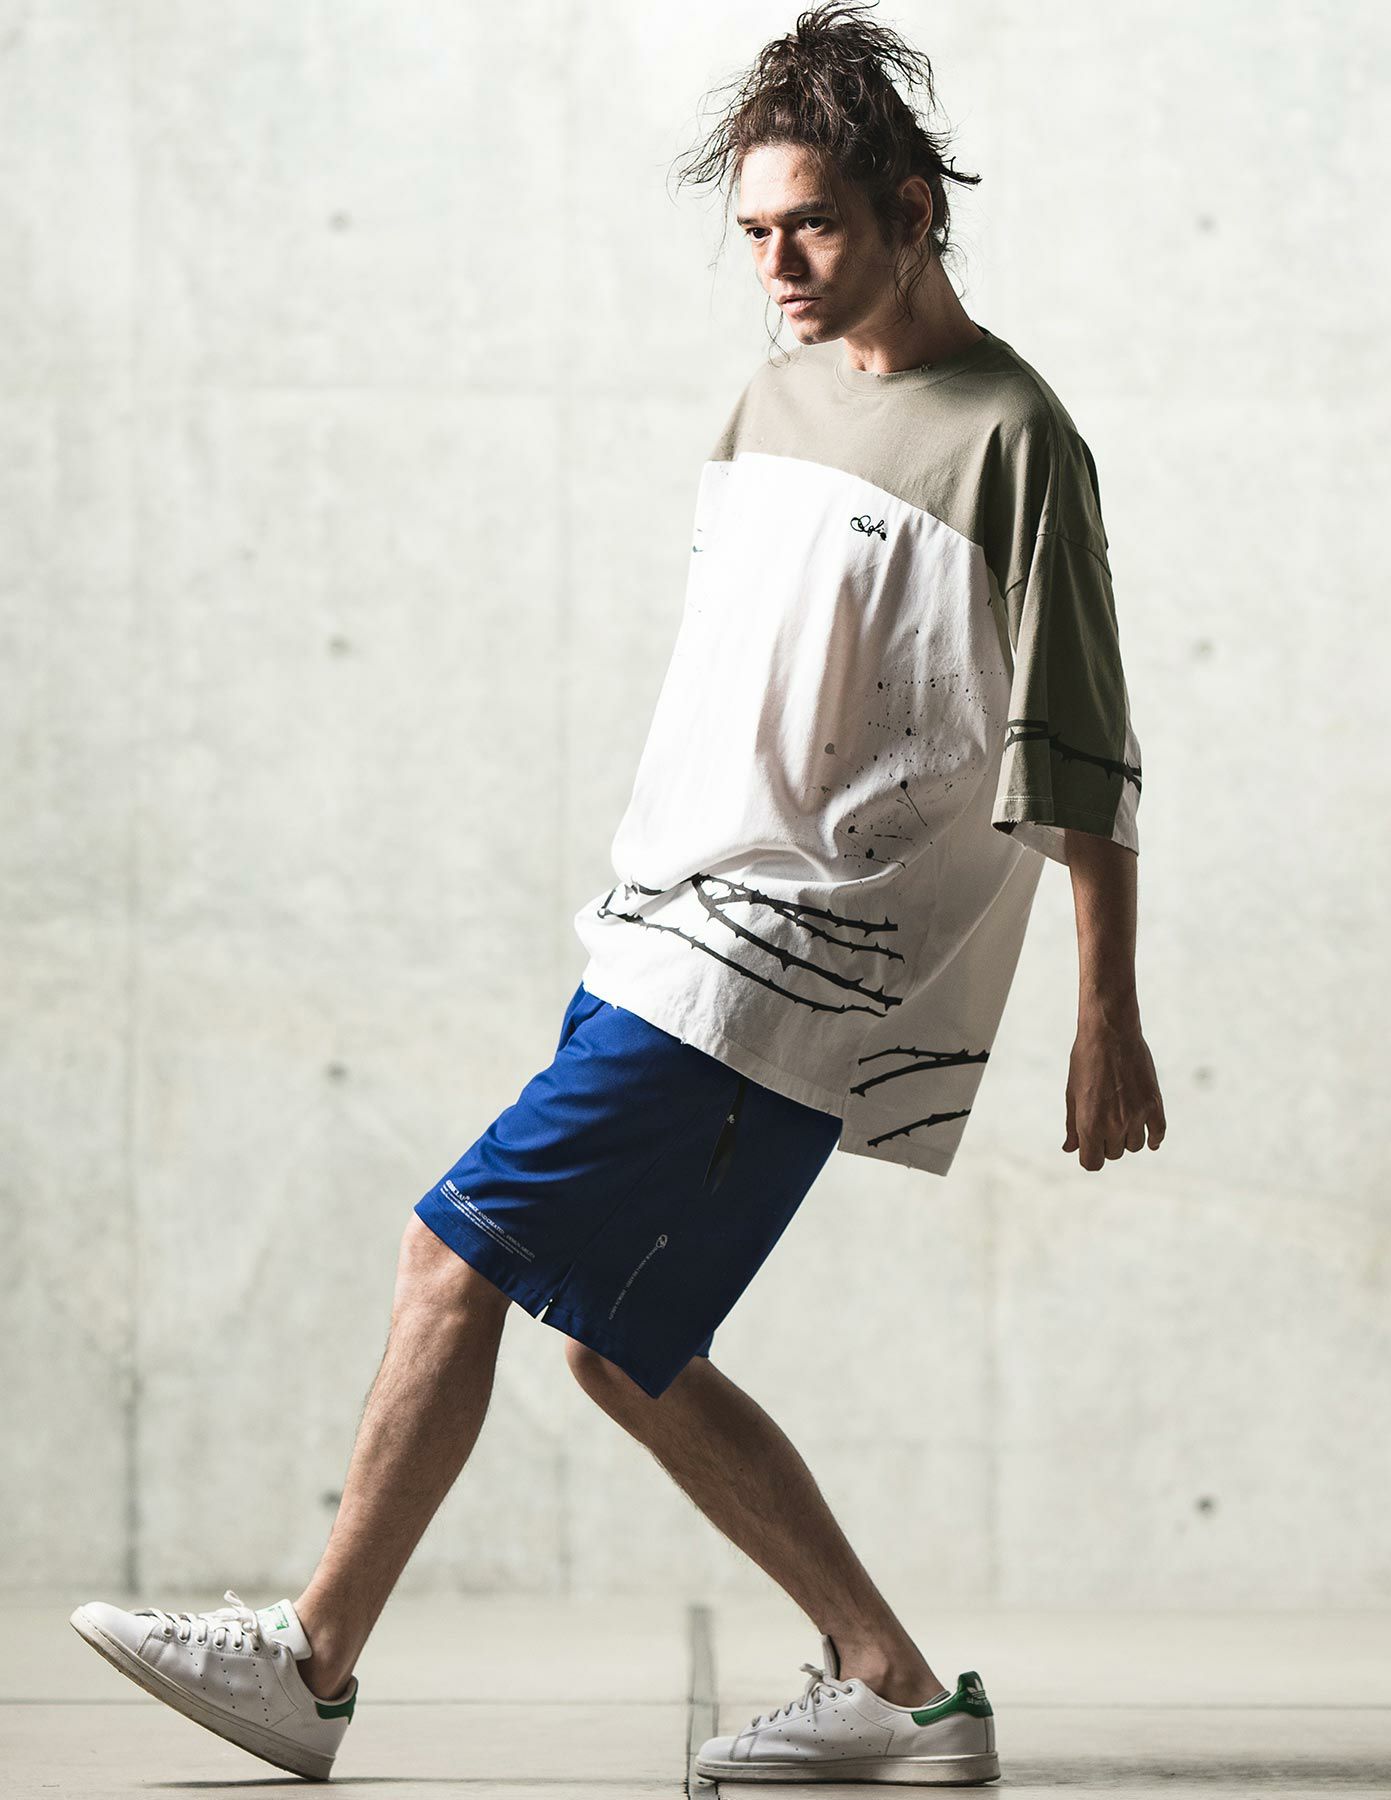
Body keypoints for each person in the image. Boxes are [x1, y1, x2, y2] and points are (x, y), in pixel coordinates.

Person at [70, 0, 1164, 1785]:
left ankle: (310, 1663)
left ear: (912, 209)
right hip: (664, 926)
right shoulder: (770, 396)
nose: (778, 268)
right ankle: (900, 1690)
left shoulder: (1015, 438)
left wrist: (1105, 1008)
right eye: (756, 233)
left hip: (788, 960)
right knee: (621, 1343)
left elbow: (1082, 746)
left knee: (452, 1253)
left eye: (813, 226)